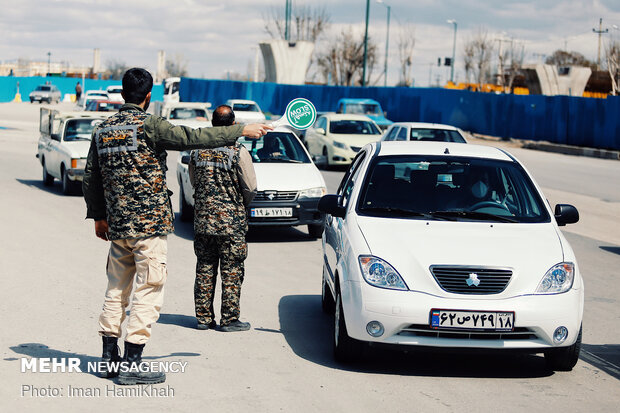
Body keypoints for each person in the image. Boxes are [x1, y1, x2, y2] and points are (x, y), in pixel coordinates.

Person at [82, 68, 270, 385]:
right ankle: (132, 365)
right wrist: (239, 131)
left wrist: (99, 216)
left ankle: (108, 358)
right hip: (149, 228)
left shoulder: (103, 130)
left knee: (116, 291)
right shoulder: (150, 126)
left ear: (122, 93)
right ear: (148, 96)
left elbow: (91, 177)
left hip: (118, 227)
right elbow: (191, 139)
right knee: (147, 292)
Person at [189, 105, 256, 332]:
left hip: (203, 221)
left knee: (205, 268)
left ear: (212, 122)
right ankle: (229, 319)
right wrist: (239, 205)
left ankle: (203, 318)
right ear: (233, 124)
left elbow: (194, 181)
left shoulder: (197, 151)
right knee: (232, 270)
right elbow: (250, 187)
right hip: (231, 223)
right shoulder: (238, 152)